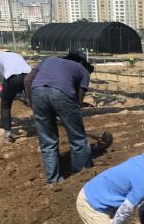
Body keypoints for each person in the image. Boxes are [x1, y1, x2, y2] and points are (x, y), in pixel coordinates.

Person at [24, 50, 95, 184]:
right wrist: (71, 113)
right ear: (81, 62)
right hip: (63, 95)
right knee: (78, 139)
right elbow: (79, 98)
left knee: (48, 141)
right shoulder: (82, 70)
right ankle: (80, 177)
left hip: (37, 93)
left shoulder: (48, 60)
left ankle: (53, 181)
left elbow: (27, 80)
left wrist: (32, 102)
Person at [0, 48, 31, 143]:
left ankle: (7, 135)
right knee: (34, 103)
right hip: (29, 76)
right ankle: (46, 126)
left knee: (5, 105)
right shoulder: (15, 54)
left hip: (12, 77)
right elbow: (22, 70)